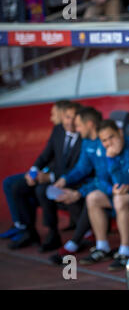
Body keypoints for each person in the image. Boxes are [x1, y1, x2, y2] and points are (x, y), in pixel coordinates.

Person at [8, 101, 83, 251]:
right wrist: (33, 172)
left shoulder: (84, 137)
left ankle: (53, 234)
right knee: (17, 187)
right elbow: (45, 155)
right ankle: (29, 232)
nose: (70, 121)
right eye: (67, 117)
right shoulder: (58, 130)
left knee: (42, 189)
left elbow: (79, 169)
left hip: (72, 181)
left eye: (74, 117)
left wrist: (51, 178)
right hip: (54, 177)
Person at [78, 119, 129, 271]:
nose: (109, 143)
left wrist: (111, 159)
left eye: (111, 137)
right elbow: (101, 178)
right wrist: (111, 190)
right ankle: (102, 247)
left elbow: (124, 182)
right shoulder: (105, 150)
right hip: (120, 193)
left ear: (120, 133)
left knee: (119, 199)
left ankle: (125, 251)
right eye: (104, 140)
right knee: (93, 197)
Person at [48, 106, 103, 264]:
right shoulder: (87, 142)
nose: (76, 129)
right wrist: (64, 180)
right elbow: (82, 168)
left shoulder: (104, 141)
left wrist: (79, 193)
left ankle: (75, 241)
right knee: (68, 190)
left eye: (79, 125)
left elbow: (105, 179)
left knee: (88, 196)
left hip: (112, 187)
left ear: (90, 124)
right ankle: (85, 234)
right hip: (99, 184)